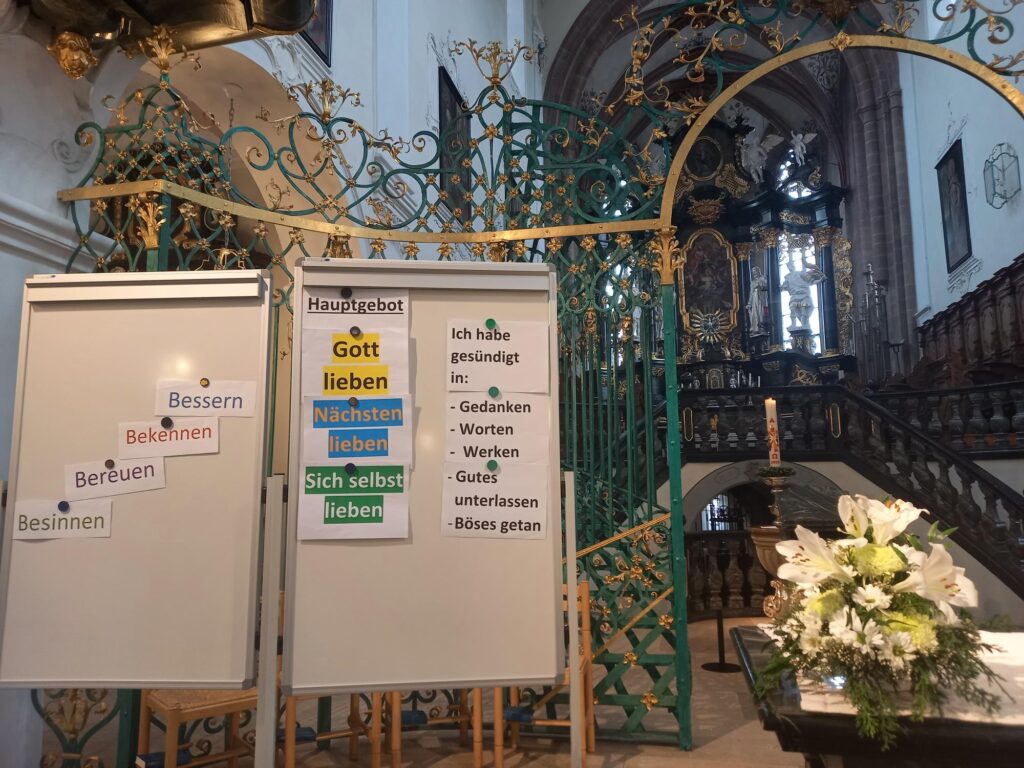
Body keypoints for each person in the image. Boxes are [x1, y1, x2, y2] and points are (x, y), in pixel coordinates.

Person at [781, 253, 825, 331]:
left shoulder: (800, 273)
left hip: (804, 295)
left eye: (791, 265)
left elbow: (811, 282)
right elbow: (783, 288)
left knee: (803, 308)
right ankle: (793, 324)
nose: (790, 267)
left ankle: (804, 325)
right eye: (789, 266)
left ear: (794, 266)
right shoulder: (787, 278)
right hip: (794, 296)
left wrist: (820, 280)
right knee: (793, 308)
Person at [747, 266, 768, 333]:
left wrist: (760, 287)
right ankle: (755, 328)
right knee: (754, 313)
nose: (754, 273)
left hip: (762, 298)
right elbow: (751, 293)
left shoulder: (763, 279)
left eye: (755, 271)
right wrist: (749, 303)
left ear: (759, 271)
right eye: (753, 272)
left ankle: (762, 327)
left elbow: (768, 287)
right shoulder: (752, 282)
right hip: (754, 299)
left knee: (761, 313)